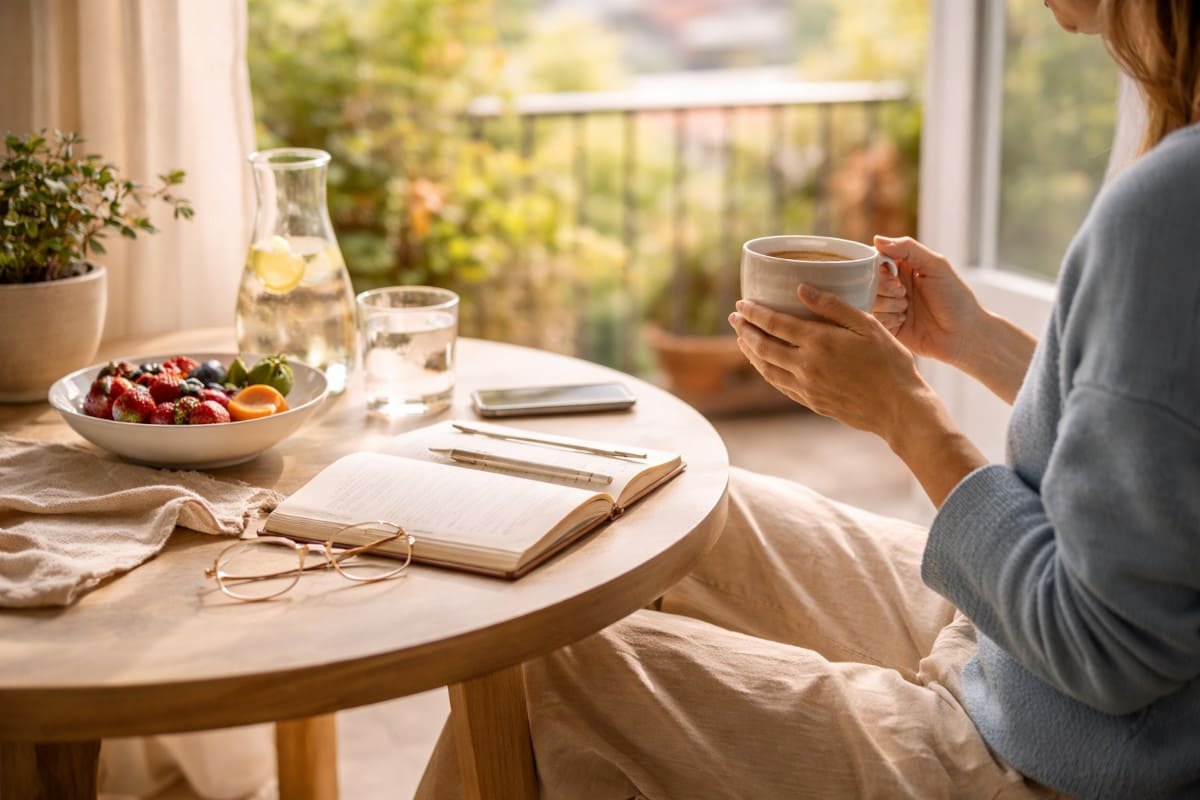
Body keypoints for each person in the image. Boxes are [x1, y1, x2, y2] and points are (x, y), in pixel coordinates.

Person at [417, 1, 1200, 797]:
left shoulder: (1172, 202)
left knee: (539, 674)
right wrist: (977, 342)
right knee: (674, 507)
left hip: (1058, 751)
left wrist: (907, 415)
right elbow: (1162, 454)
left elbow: (1110, 651)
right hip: (1016, 653)